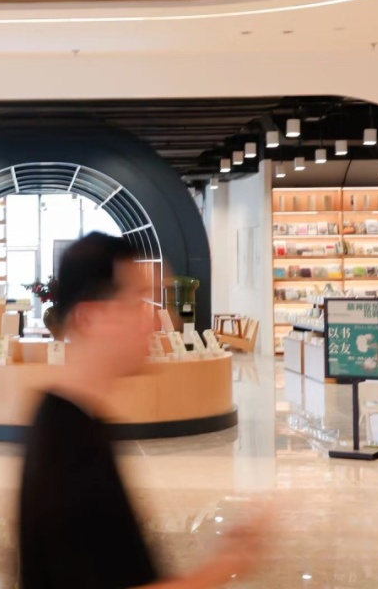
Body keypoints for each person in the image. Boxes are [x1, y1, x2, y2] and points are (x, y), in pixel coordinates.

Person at [18, 233, 267, 588]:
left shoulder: (75, 420)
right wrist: (225, 565)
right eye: (137, 302)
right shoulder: (68, 443)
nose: (157, 322)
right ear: (88, 318)